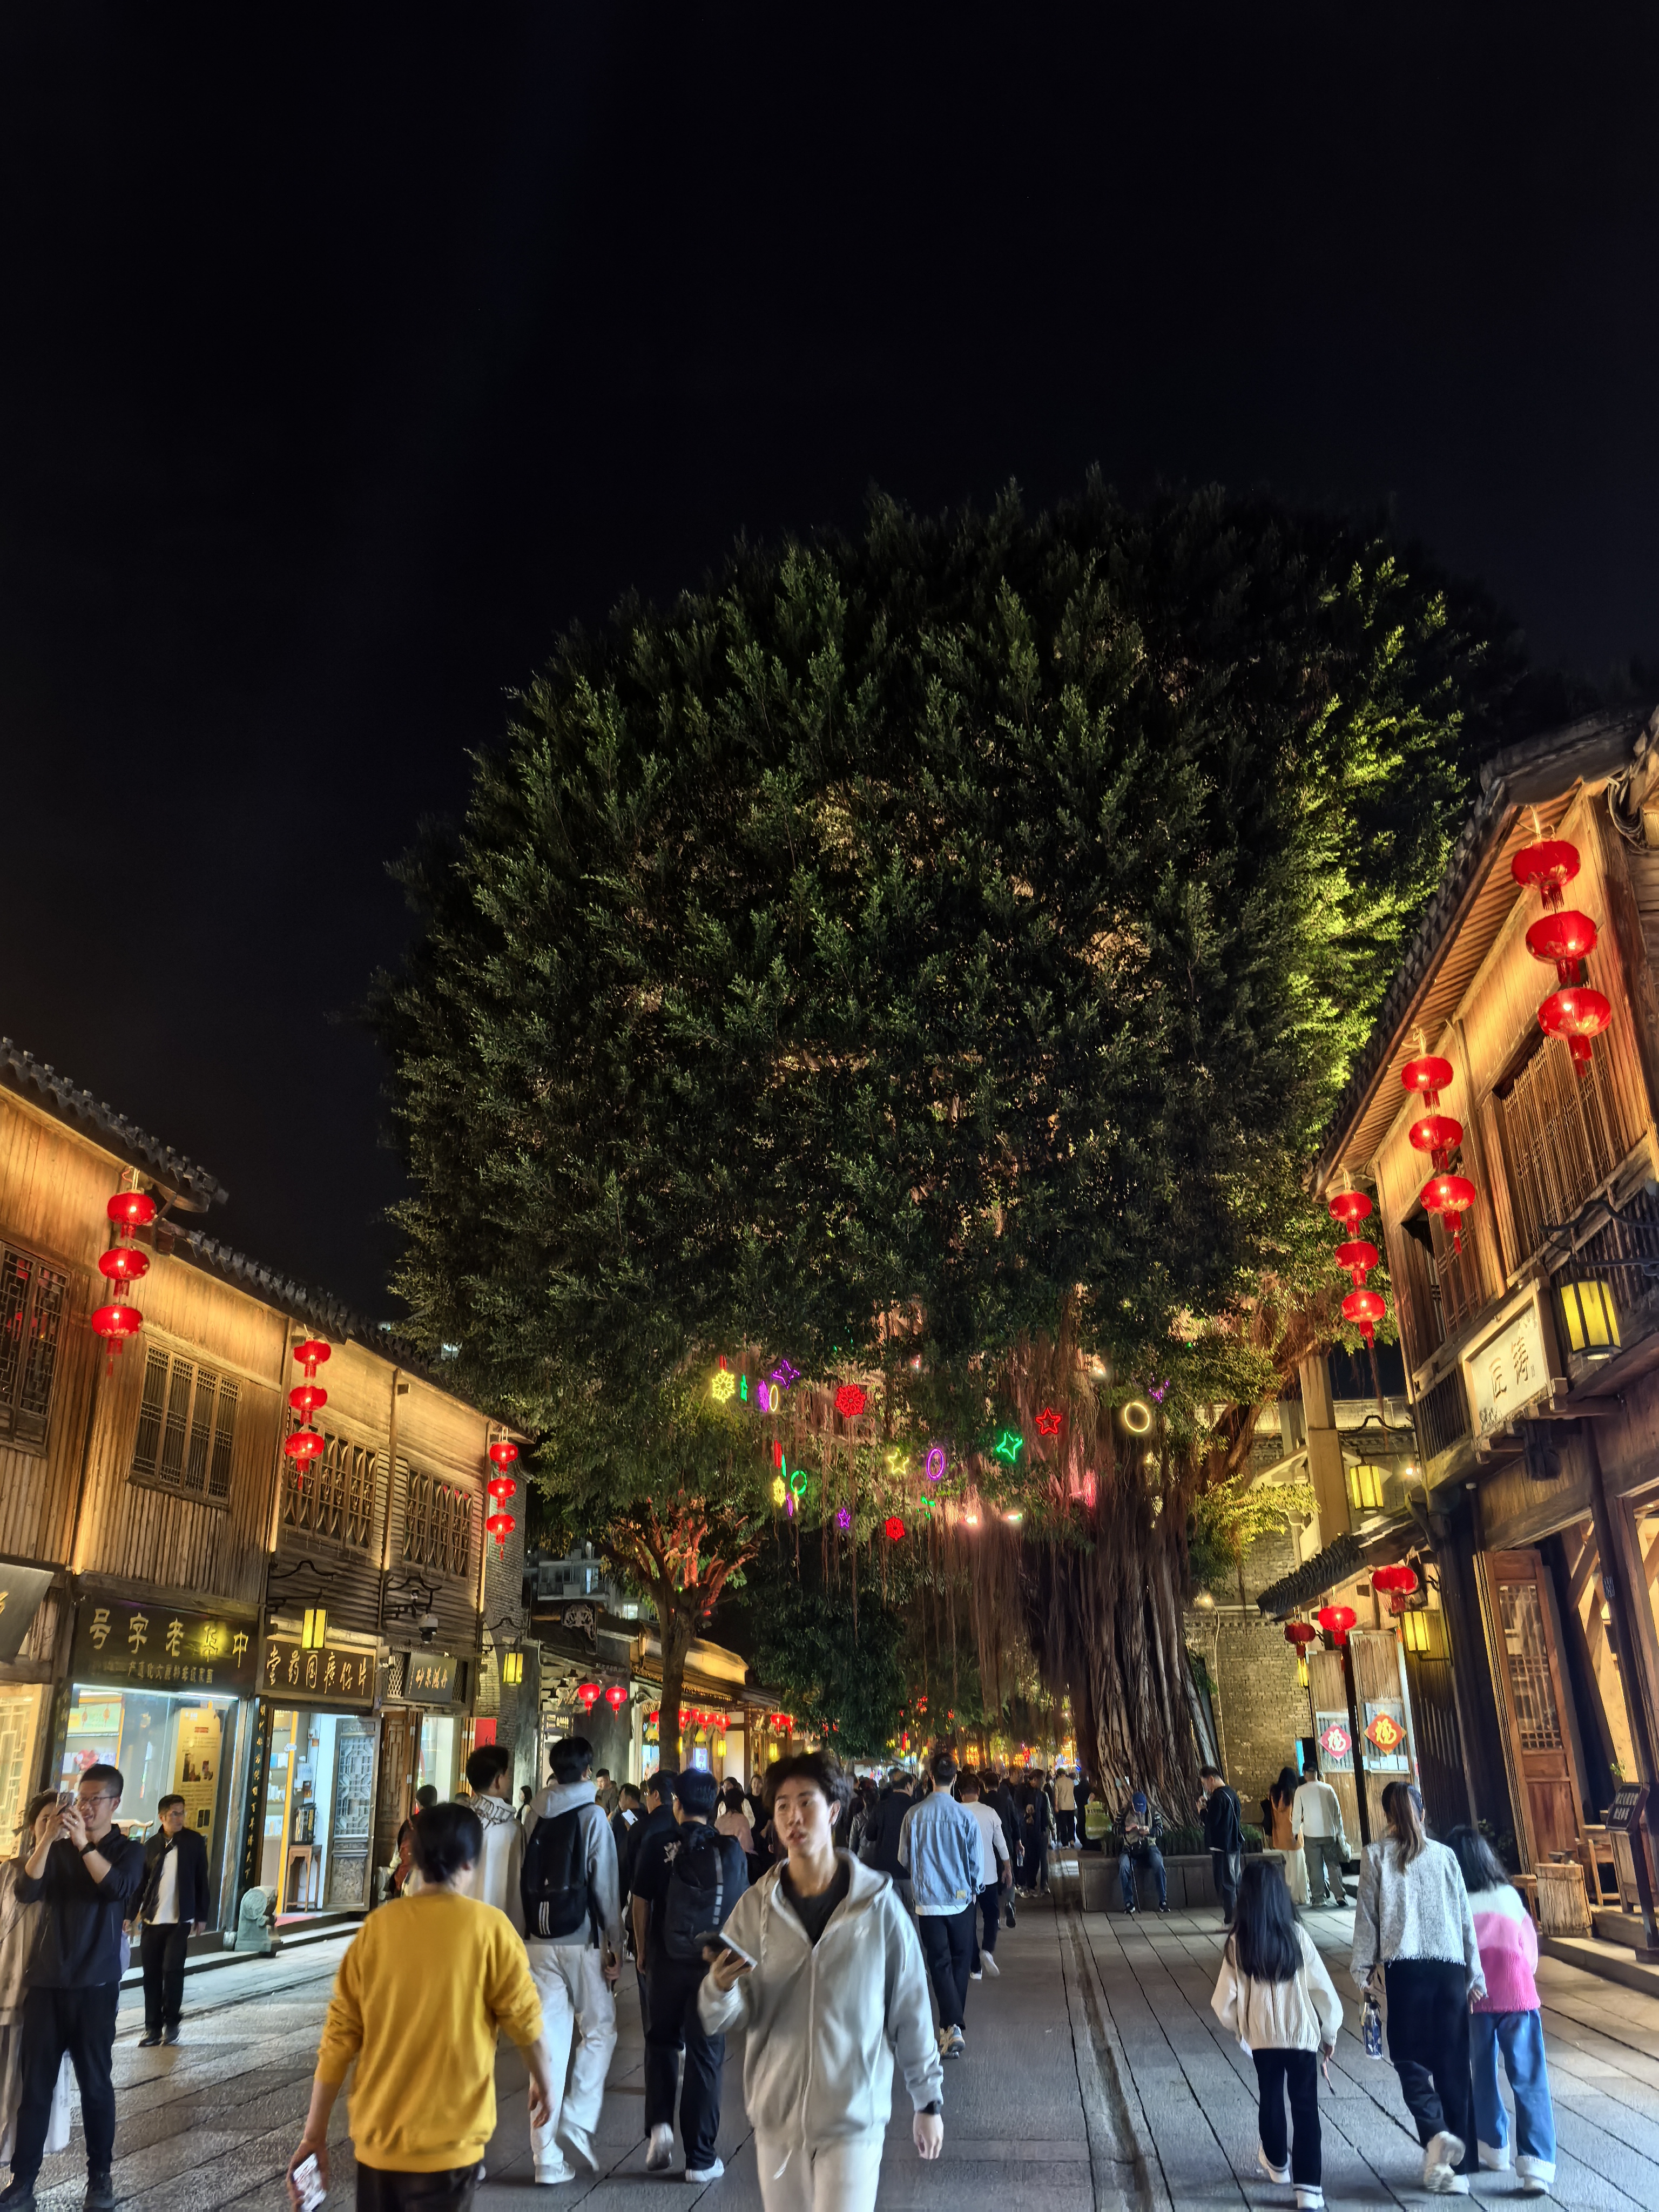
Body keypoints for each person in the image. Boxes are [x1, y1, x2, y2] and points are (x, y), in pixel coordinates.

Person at [700, 1751, 944, 2212]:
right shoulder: (756, 1907)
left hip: (853, 2119)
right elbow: (724, 2016)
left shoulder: (878, 1907)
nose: (794, 1817)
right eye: (783, 1806)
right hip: (777, 2121)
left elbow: (909, 2008)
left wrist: (927, 2101)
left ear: (833, 1811)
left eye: (805, 1803)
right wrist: (720, 1988)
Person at [286, 1801, 553, 2211]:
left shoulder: (377, 1929)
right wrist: (544, 2081)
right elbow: (526, 2022)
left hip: (378, 2142)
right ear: (472, 1861)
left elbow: (338, 2038)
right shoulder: (491, 1930)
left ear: (415, 1857)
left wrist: (314, 2134)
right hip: (451, 2141)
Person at [0, 1762, 146, 2212]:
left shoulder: (129, 1851)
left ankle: (99, 2179)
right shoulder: (59, 1849)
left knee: (96, 2086)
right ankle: (23, 2182)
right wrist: (48, 1838)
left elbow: (116, 1888)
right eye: (80, 1799)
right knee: (35, 2088)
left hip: (95, 1987)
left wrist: (84, 1843)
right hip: (46, 1983)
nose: (84, 1807)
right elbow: (26, 1890)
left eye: (93, 1800)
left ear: (114, 1803)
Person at [1351, 1782, 1484, 2196]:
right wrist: (1475, 1975)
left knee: (1409, 2061)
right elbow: (1464, 1917)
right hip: (1450, 1971)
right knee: (1453, 2067)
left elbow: (1367, 1918)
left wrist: (1362, 1969)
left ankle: (1436, 2132)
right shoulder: (1445, 1856)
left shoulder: (1375, 1856)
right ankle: (1460, 2171)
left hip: (1406, 1972)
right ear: (1422, 1813)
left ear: (1387, 1816)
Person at [631, 1767, 748, 2179]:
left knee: (662, 2042)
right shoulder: (729, 1850)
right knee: (705, 2054)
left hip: (665, 1962)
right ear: (713, 1806)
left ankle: (660, 2127)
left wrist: (643, 1951)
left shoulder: (658, 1843)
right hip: (710, 1968)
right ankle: (700, 2159)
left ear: (676, 1803)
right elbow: (740, 1909)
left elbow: (640, 1901)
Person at [518, 1734, 622, 2183]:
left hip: (537, 1941)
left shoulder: (532, 1815)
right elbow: (606, 1887)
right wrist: (616, 1943)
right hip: (580, 1938)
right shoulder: (593, 1815)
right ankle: (578, 2116)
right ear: (587, 1772)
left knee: (547, 2043)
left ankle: (545, 2156)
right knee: (600, 2028)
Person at [1211, 1858, 1342, 2212]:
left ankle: (1277, 2164)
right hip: (1301, 2037)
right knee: (1305, 2107)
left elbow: (1223, 2002)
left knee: (1270, 2097)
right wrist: (1329, 2032)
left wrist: (1241, 2029)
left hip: (1263, 2039)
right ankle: (1309, 2190)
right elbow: (1323, 1991)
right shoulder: (1297, 1935)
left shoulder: (1239, 1942)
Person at [1447, 1825, 1555, 2196]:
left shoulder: (1457, 1902)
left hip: (1475, 2000)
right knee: (1529, 2078)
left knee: (1482, 2073)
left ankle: (1494, 2146)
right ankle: (1536, 2166)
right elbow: (1530, 1952)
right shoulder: (1509, 1896)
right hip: (1517, 1995)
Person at [899, 1751, 982, 2059]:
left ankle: (951, 2028)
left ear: (930, 1777)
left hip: (929, 1902)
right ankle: (952, 2027)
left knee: (939, 1964)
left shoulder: (914, 1815)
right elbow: (976, 1862)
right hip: (961, 1900)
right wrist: (975, 1888)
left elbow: (904, 1858)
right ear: (955, 1778)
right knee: (961, 1961)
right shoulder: (965, 1817)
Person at [0, 1795, 56, 2168]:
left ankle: (22, 2155)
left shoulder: (72, 1872)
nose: (52, 1825)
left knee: (30, 2078)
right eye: (45, 1818)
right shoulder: (10, 1870)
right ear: (33, 1825)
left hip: (46, 1989)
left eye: (59, 1818)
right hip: (7, 1979)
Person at [133, 1793, 210, 2046]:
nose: (179, 1818)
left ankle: (172, 2022)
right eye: (174, 1814)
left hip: (180, 1919)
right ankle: (152, 2028)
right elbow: (140, 1884)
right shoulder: (151, 1846)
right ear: (162, 1817)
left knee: (173, 1970)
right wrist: (130, 1915)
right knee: (151, 1974)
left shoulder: (193, 1842)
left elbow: (201, 1880)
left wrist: (201, 1915)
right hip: (152, 1920)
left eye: (182, 1813)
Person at [454, 1745, 524, 1930]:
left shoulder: (455, 1818)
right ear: (498, 1781)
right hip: (496, 1929)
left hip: (456, 1922)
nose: (509, 1780)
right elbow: (515, 1891)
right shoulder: (511, 1829)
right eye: (508, 1775)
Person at [956, 1771, 1010, 1978]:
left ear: (960, 1793)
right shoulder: (990, 1813)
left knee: (968, 1921)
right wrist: (1007, 1867)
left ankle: (975, 1968)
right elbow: (1001, 1844)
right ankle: (987, 1950)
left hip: (963, 1879)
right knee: (991, 1915)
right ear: (979, 1791)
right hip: (988, 1876)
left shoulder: (954, 1813)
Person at [859, 1768, 915, 1911]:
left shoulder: (881, 1806)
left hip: (886, 1870)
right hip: (910, 1871)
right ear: (908, 1785)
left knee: (892, 1913)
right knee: (913, 1914)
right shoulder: (915, 1808)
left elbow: (870, 1835)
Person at [1291, 1768, 1348, 1908]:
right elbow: (1337, 1813)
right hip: (1329, 1833)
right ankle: (1339, 1895)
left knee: (1315, 1867)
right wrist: (1339, 1832)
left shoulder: (1301, 1790)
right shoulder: (1328, 1789)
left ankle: (1319, 1898)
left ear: (1305, 1773)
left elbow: (1297, 1813)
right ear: (1317, 1773)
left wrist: (1295, 1832)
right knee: (1333, 1865)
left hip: (1311, 1834)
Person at [1199, 1765, 1244, 1927]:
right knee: (1236, 1881)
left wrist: (1201, 1811)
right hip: (1234, 1844)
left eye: (1205, 1783)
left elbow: (1212, 1822)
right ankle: (1241, 1917)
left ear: (1211, 1779)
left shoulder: (1218, 1797)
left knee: (1227, 1883)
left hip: (1222, 1847)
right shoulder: (1231, 1793)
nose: (1205, 1787)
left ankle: (1230, 1920)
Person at [1118, 1789, 1170, 1916]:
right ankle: (1129, 1903)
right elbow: (1114, 1829)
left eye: (1142, 1809)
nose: (1140, 1812)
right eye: (1137, 1809)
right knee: (1124, 1866)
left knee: (1159, 1864)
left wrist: (1149, 1831)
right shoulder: (1124, 1812)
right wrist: (1126, 1829)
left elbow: (1161, 1830)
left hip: (1149, 1846)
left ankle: (1163, 1901)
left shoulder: (1153, 1812)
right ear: (1132, 1804)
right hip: (1130, 1847)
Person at [1267, 1768, 1309, 1909]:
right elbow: (1298, 1815)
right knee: (1298, 1867)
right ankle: (1299, 1897)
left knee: (1289, 1867)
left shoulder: (1273, 1793)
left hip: (1280, 1835)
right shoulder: (1294, 1793)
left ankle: (1287, 1895)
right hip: (1293, 1835)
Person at [989, 1770, 1024, 1920]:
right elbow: (1015, 1822)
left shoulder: (982, 1803)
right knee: (1009, 1874)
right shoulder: (1006, 1801)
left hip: (987, 1846)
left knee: (991, 1880)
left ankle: (995, 1916)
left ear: (984, 1786)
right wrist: (1018, 1841)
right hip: (1006, 1842)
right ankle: (1010, 1902)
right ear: (998, 1784)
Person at [611, 1784, 644, 1900]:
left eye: (621, 1798)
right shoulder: (647, 1816)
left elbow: (614, 1843)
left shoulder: (621, 1818)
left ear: (629, 1799)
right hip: (641, 1871)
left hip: (623, 1871)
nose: (620, 1802)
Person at [717, 1778, 755, 1860]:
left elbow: (752, 1821)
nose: (726, 1789)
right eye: (724, 1787)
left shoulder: (744, 1802)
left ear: (735, 1787)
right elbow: (749, 1845)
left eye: (728, 1786)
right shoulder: (721, 1805)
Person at [1053, 1765, 1077, 1846]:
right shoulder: (1071, 1781)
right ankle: (1072, 1840)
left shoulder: (1058, 1782)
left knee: (1063, 1825)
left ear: (1058, 1774)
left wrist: (1056, 1806)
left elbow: (1056, 1795)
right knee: (1071, 1824)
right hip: (1071, 1805)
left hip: (1062, 1806)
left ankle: (1065, 1843)